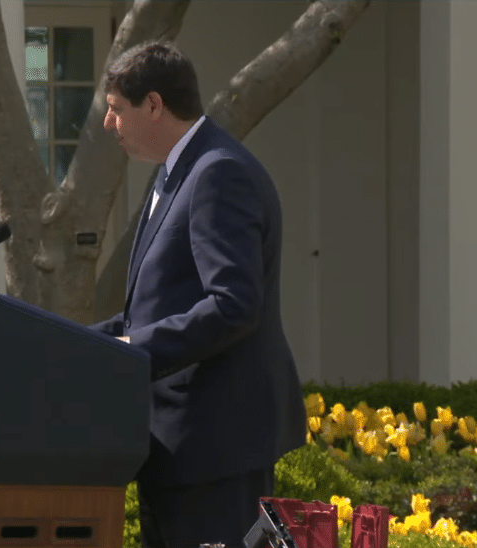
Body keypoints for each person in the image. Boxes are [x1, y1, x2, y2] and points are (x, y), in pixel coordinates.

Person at [92, 42, 306, 548]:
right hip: (174, 450)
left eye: (117, 109)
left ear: (154, 105)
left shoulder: (217, 172)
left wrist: (131, 353)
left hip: (216, 448)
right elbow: (148, 311)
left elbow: (233, 304)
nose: (108, 124)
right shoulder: (173, 173)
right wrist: (69, 342)